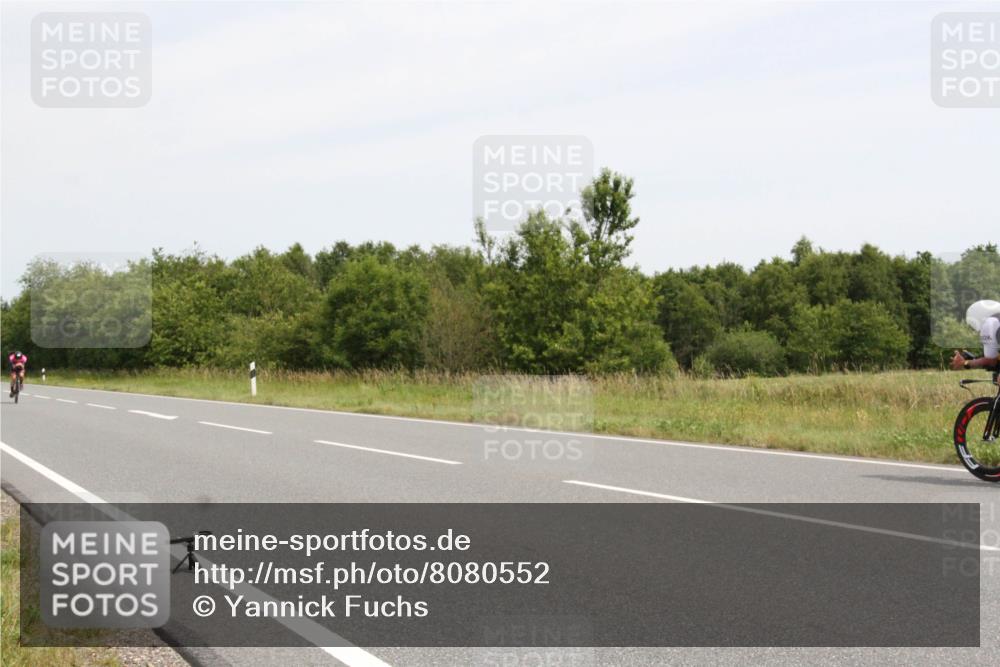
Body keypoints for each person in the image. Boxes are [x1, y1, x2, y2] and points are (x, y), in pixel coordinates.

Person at [951, 300, 1000, 371]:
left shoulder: (990, 322)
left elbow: (990, 361)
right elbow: (994, 359)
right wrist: (970, 361)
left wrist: (964, 363)